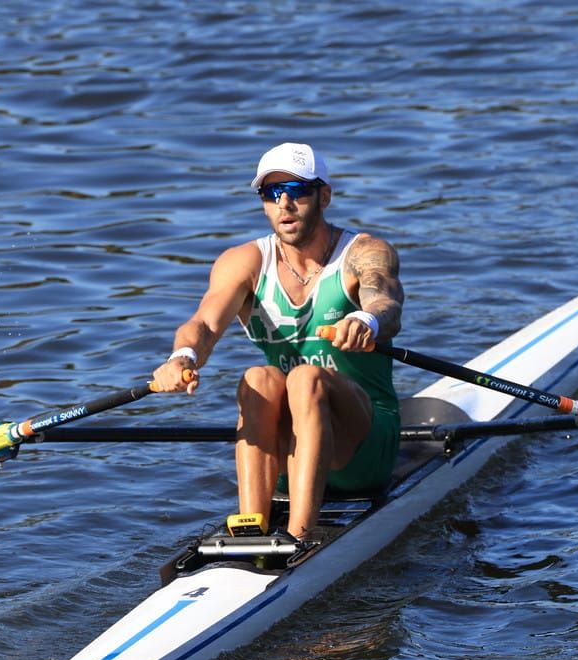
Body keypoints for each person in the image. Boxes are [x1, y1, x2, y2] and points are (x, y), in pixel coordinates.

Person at [152, 142, 403, 542]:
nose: (284, 203)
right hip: (292, 447)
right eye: (271, 193)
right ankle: (253, 527)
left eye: (297, 190)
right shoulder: (244, 262)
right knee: (258, 378)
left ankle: (298, 537)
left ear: (324, 196)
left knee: (306, 378)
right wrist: (182, 357)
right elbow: (204, 322)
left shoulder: (364, 252)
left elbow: (387, 300)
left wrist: (367, 318)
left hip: (364, 444)